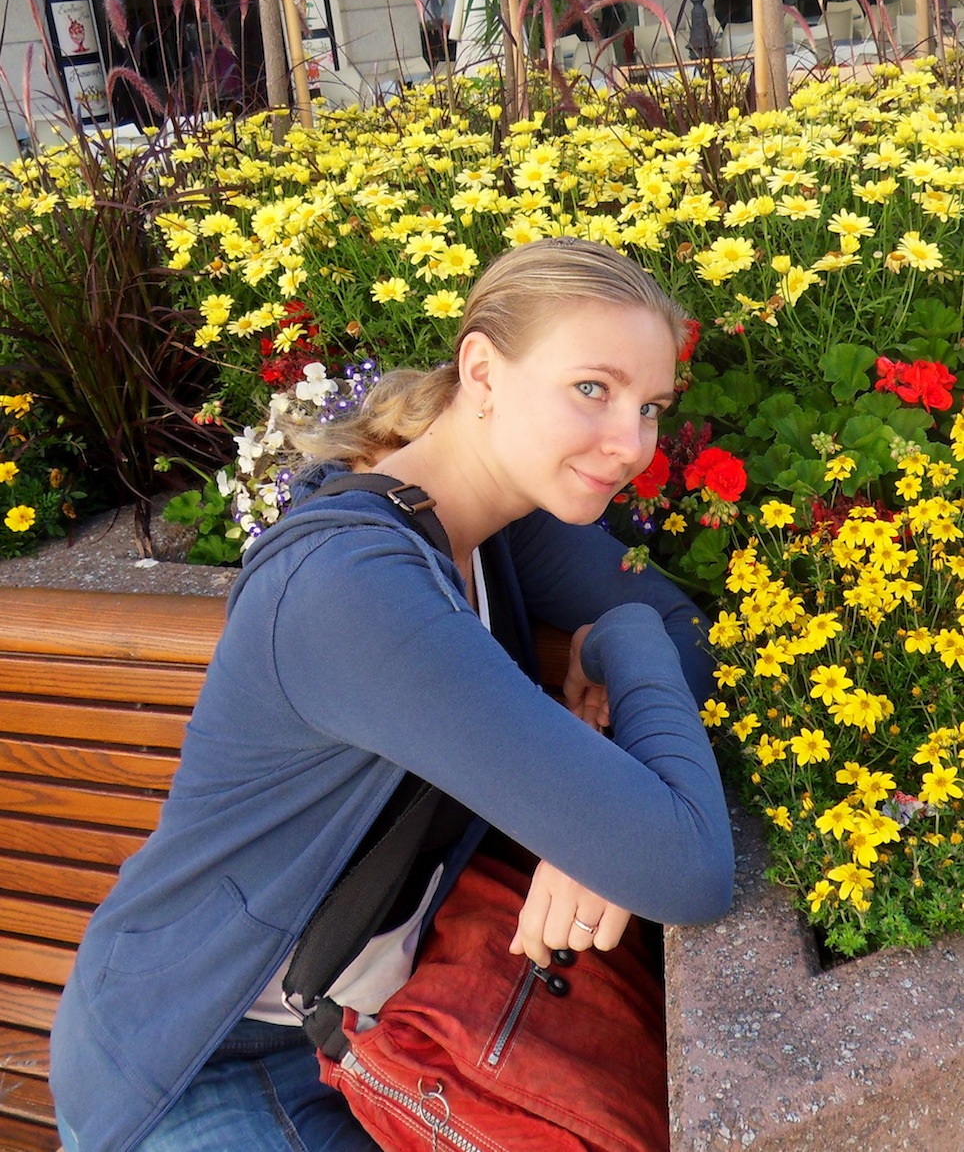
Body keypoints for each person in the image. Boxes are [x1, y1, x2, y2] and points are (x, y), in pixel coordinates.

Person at [51, 238, 734, 1151]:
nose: (630, 444)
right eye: (592, 389)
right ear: (482, 371)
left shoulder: (499, 519)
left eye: (649, 407)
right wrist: (609, 808)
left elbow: (682, 632)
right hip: (199, 1057)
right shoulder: (355, 586)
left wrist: (599, 802)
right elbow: (687, 866)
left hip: (369, 1032)